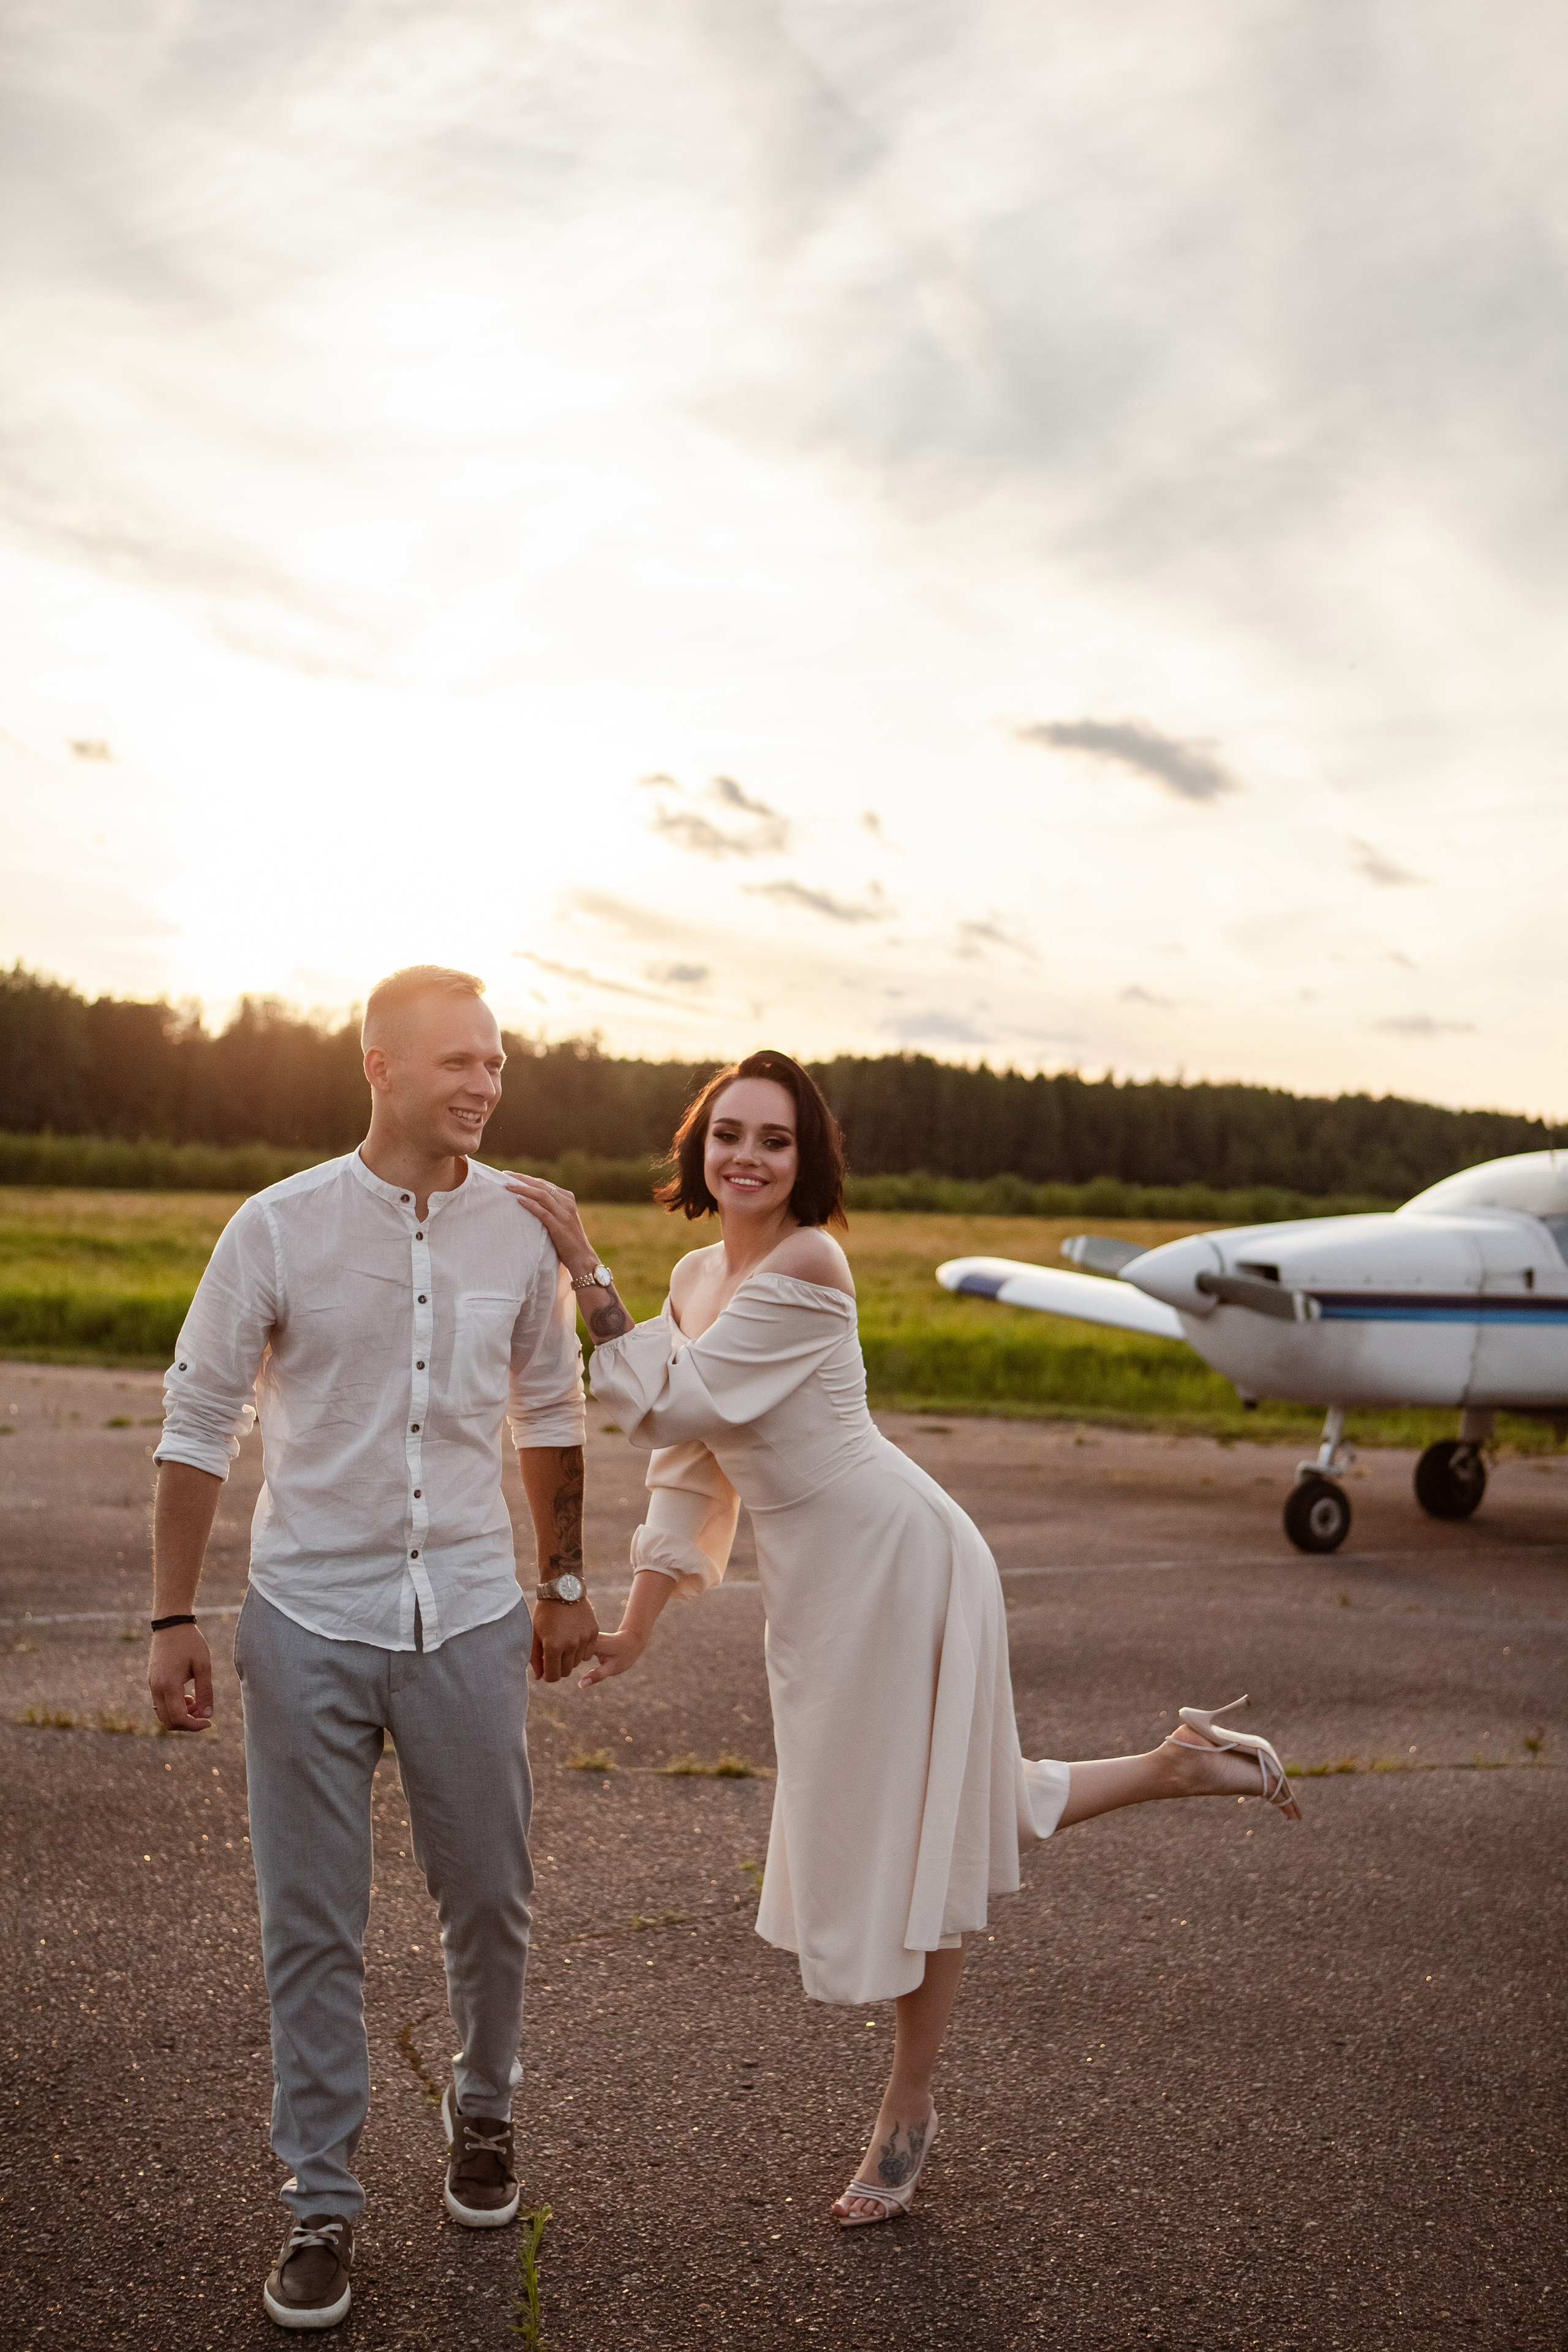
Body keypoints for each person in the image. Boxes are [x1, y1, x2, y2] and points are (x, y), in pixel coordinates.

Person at [507, 1048, 1300, 2230]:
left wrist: (579, 1261)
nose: (748, 1158)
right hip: (819, 1584)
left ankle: (907, 2114)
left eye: (775, 1139)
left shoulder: (811, 1263)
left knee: (920, 1839)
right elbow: (691, 1465)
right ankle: (1177, 1764)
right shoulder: (689, 1275)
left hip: (901, 1559)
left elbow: (672, 1403)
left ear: (806, 1158)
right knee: (930, 1810)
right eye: (729, 1134)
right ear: (699, 1145)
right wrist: (637, 1621)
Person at [148, 966, 601, 2329]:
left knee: (490, 1897)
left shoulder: (522, 1232)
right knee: (310, 1925)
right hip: (307, 1621)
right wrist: (173, 1613)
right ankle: (320, 2204)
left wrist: (564, 1576)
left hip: (465, 1612)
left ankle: (481, 2114)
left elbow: (552, 1407)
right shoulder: (277, 1227)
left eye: (497, 1063)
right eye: (457, 1061)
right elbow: (196, 1416)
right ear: (380, 1068)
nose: (483, 1084)